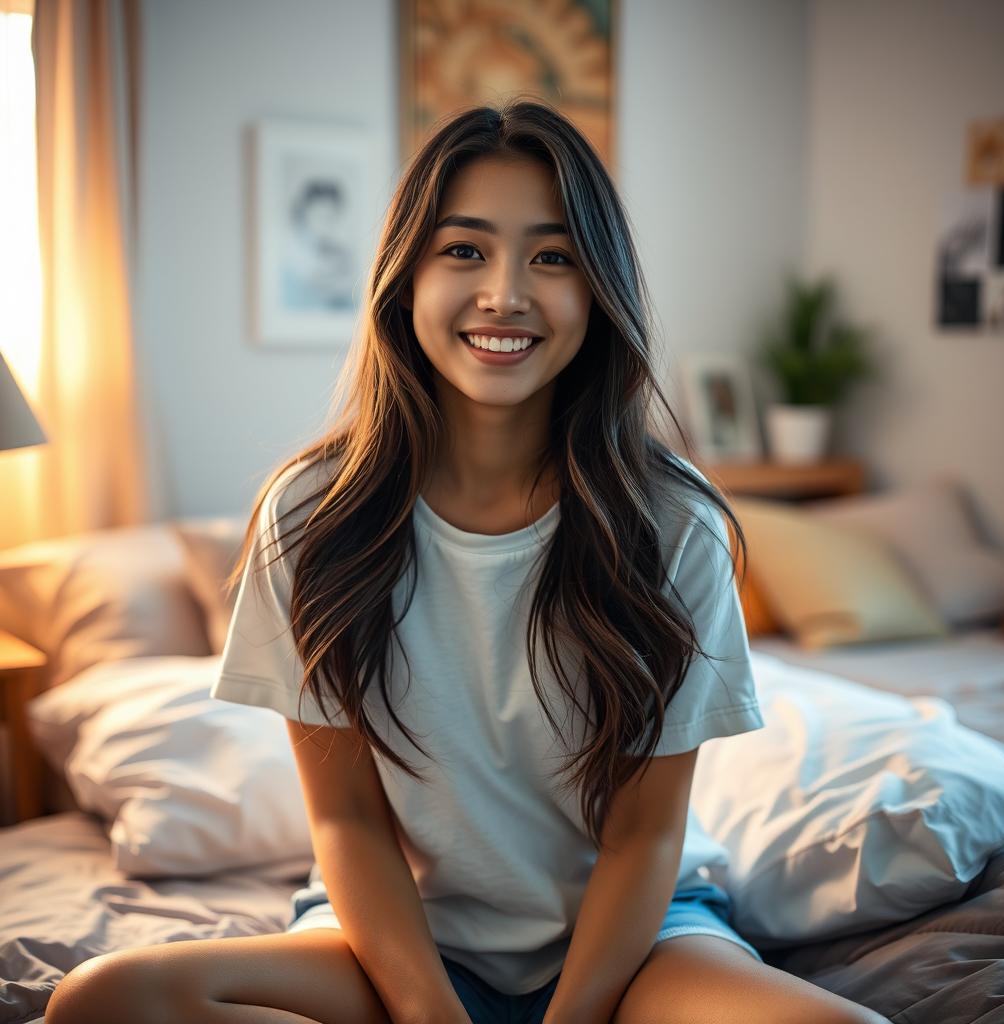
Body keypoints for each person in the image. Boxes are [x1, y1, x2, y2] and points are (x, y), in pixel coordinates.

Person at [45, 99, 888, 1024]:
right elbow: (347, 819)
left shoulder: (669, 519)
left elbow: (647, 834)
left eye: (553, 256)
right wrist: (431, 1014)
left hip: (634, 943)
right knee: (101, 1001)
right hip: (397, 943)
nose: (505, 294)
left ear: (598, 288)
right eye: (464, 250)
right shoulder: (310, 517)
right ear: (406, 276)